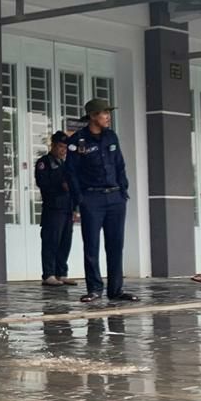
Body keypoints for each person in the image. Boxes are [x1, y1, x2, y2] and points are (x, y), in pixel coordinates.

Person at [66, 98, 137, 305]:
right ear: (93, 116)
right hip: (92, 198)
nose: (108, 117)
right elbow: (71, 172)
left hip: (115, 197)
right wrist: (80, 199)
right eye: (104, 113)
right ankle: (95, 289)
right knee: (92, 245)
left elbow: (120, 165)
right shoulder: (78, 141)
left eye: (108, 113)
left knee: (115, 245)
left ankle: (116, 290)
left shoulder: (111, 136)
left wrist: (123, 190)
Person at [35, 130, 78, 288]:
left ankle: (61, 273)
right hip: (53, 208)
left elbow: (73, 187)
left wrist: (75, 209)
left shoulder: (66, 164)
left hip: (67, 208)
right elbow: (43, 184)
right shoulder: (44, 163)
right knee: (51, 241)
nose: (63, 150)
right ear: (52, 145)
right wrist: (60, 185)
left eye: (65, 147)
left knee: (65, 242)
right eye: (60, 146)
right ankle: (49, 274)